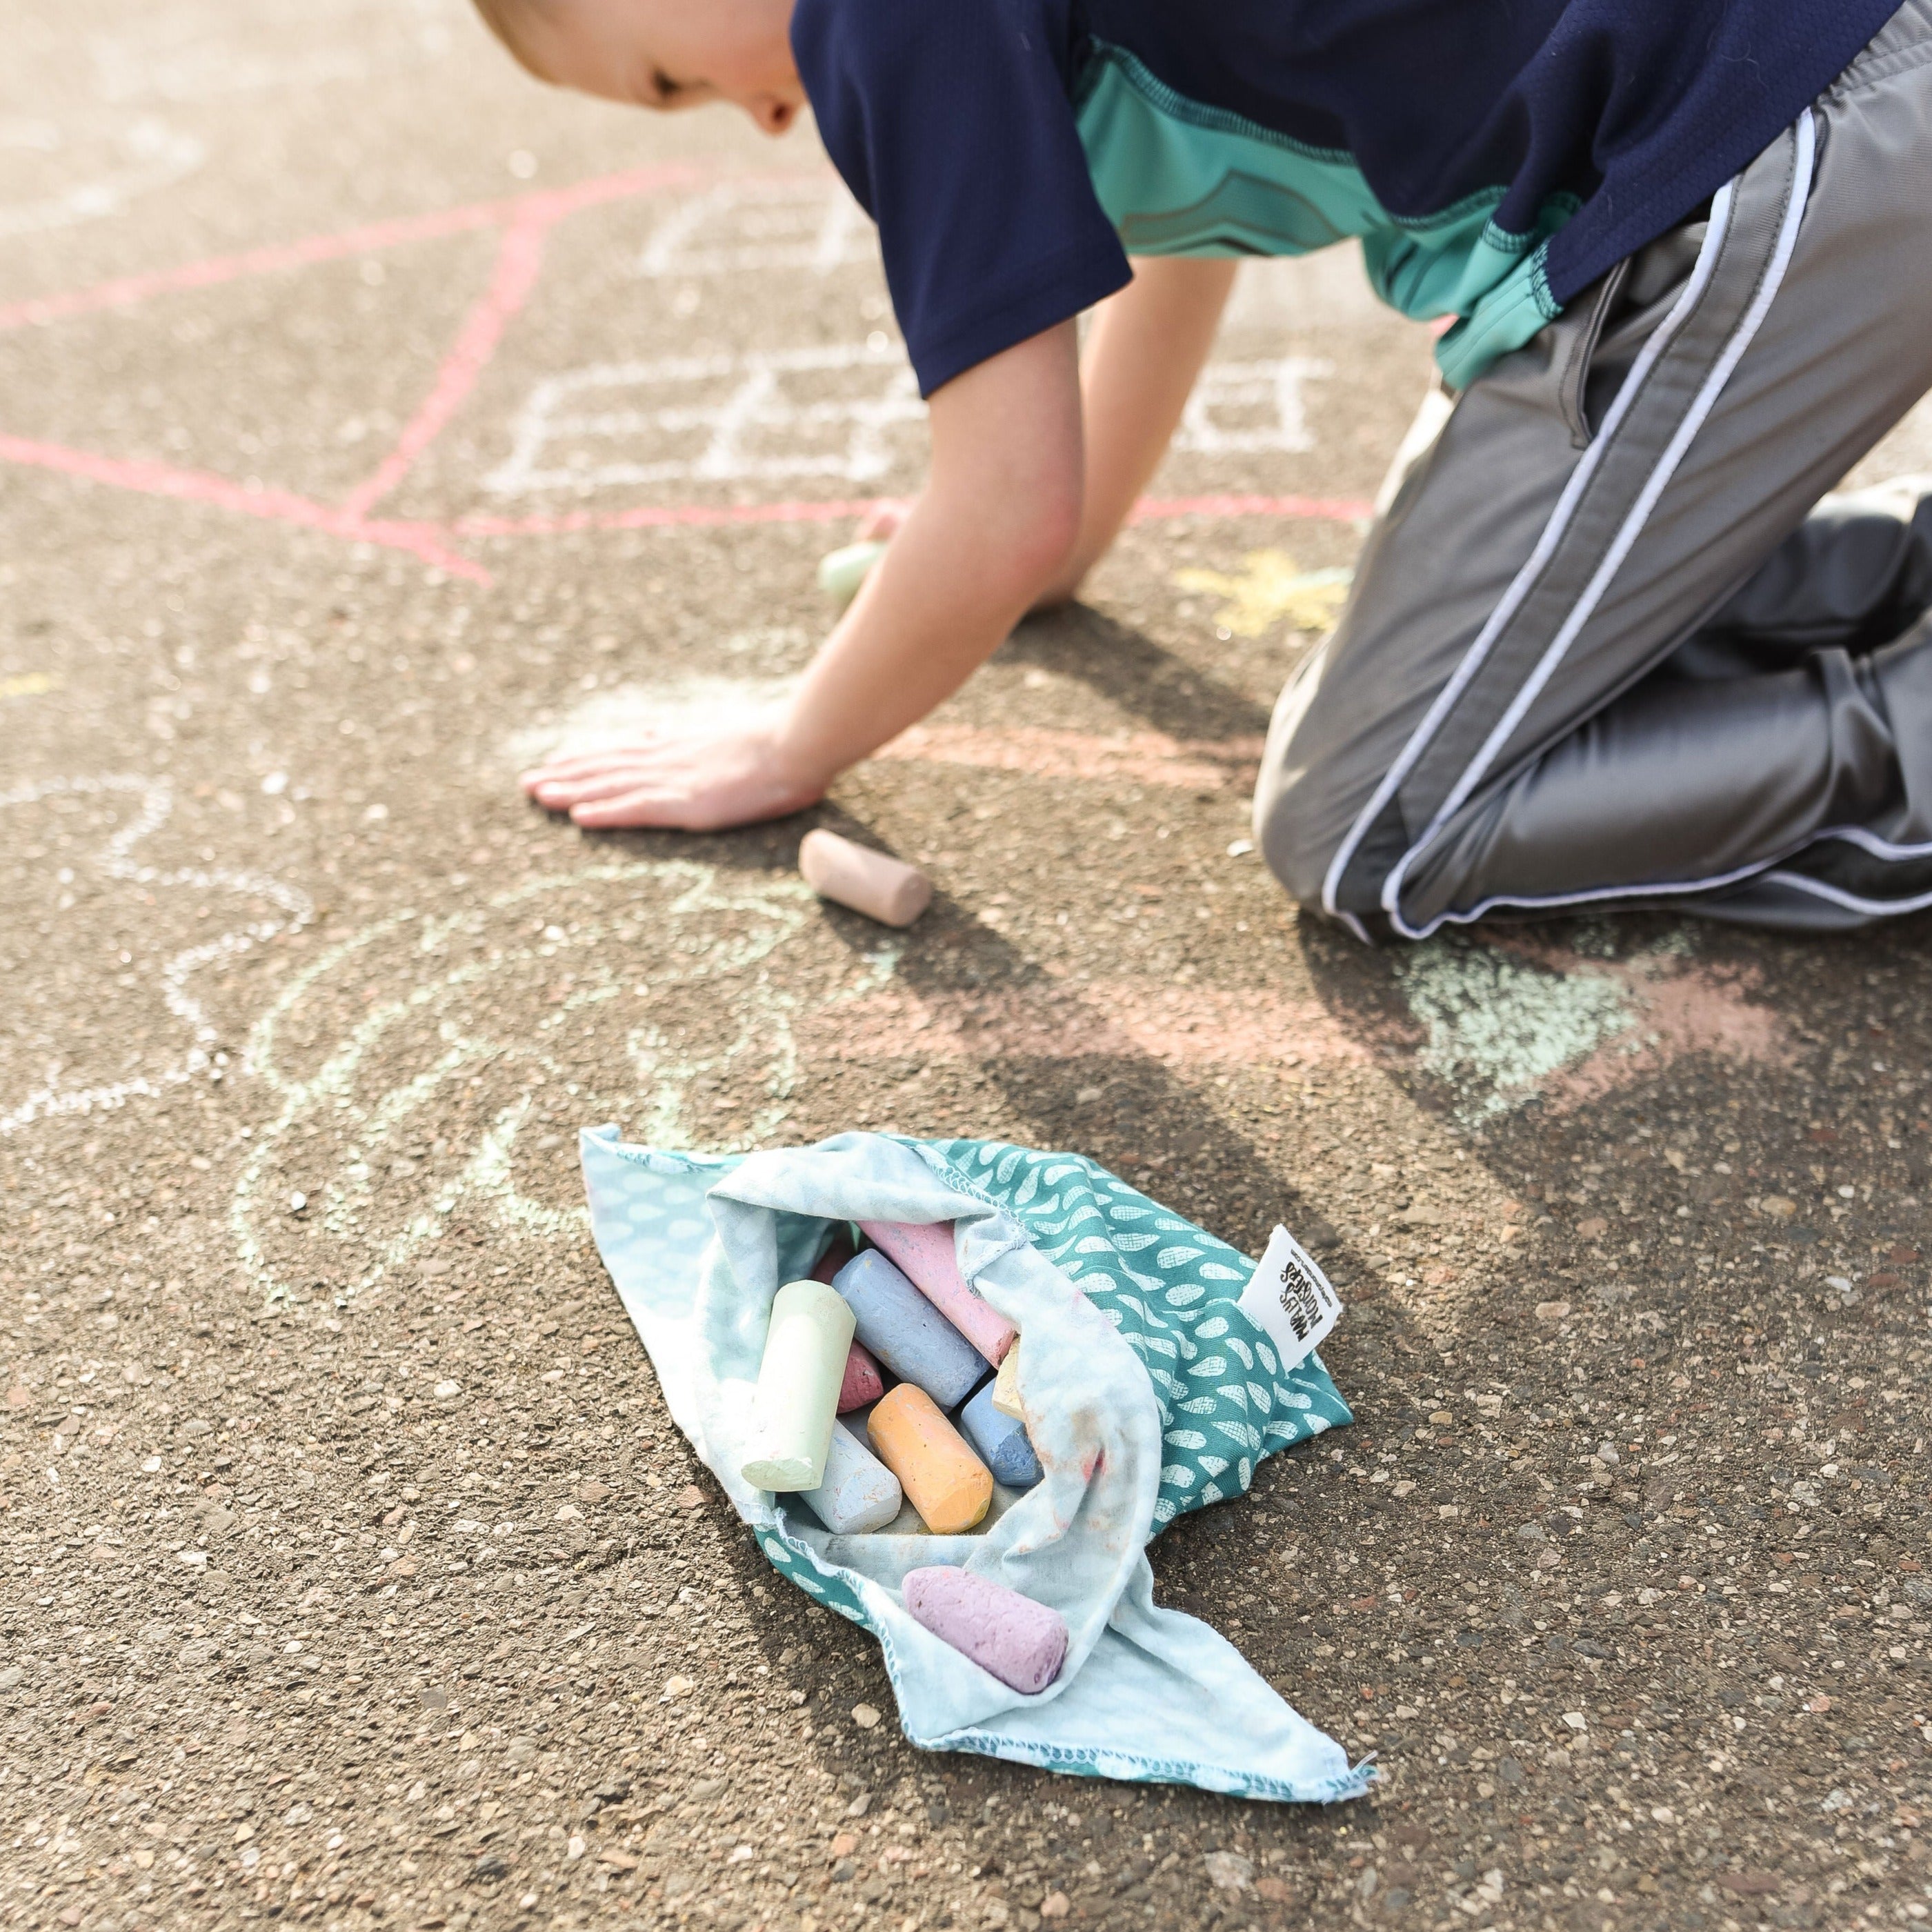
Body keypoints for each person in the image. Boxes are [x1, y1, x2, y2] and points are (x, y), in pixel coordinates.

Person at [494, 0, 1932, 940]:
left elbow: (1000, 506)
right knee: (1464, 675)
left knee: (1369, 823)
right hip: (1796, 110)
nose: (754, 117)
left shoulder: (880, 20)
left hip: (1772, 149)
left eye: (670, 79)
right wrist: (1071, 544)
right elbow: (1174, 244)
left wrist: (791, 746)